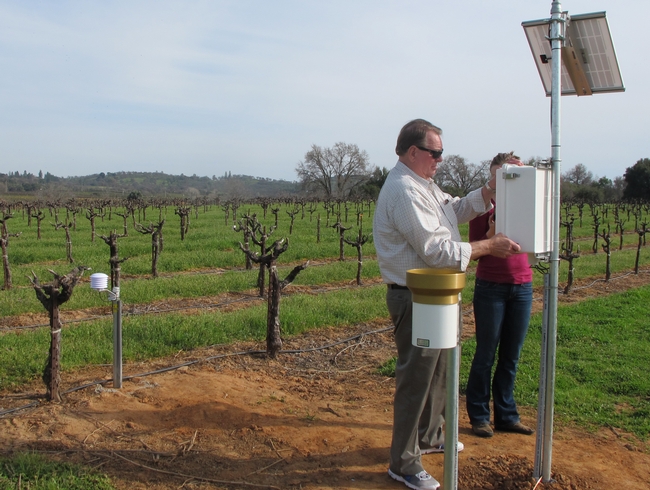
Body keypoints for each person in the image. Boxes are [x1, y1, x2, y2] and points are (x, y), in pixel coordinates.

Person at [374, 119, 522, 490]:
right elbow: (437, 251)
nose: (440, 159)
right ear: (413, 152)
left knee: (441, 367)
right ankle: (404, 463)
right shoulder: (404, 190)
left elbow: (451, 211)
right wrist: (488, 246)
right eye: (435, 153)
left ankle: (431, 436)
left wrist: (489, 190)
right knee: (417, 377)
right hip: (415, 295)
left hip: (436, 294)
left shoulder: (423, 185)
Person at [465, 152, 535, 439]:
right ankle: (479, 416)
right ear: (492, 177)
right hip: (490, 286)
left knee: (511, 355)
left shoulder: (527, 204)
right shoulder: (481, 208)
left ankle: (506, 415)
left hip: (522, 285)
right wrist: (490, 237)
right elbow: (472, 249)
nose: (507, 179)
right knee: (485, 354)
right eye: (500, 174)